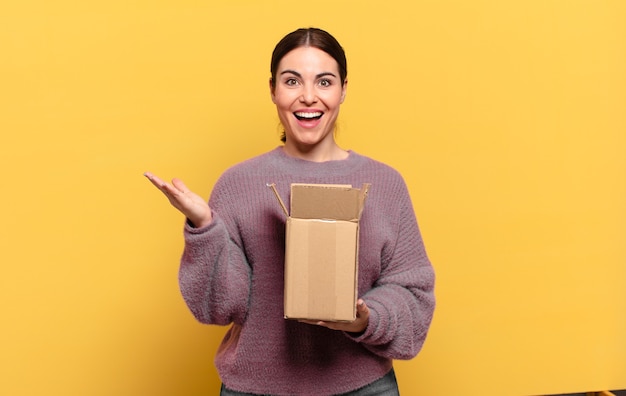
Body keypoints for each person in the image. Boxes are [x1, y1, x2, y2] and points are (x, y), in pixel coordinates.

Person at [145, 27, 435, 396]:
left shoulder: (384, 184)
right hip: (255, 388)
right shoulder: (238, 184)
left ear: (344, 89)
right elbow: (218, 308)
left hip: (363, 387)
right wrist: (204, 228)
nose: (309, 97)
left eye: (324, 82)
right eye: (292, 81)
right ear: (273, 90)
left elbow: (414, 294)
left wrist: (365, 318)